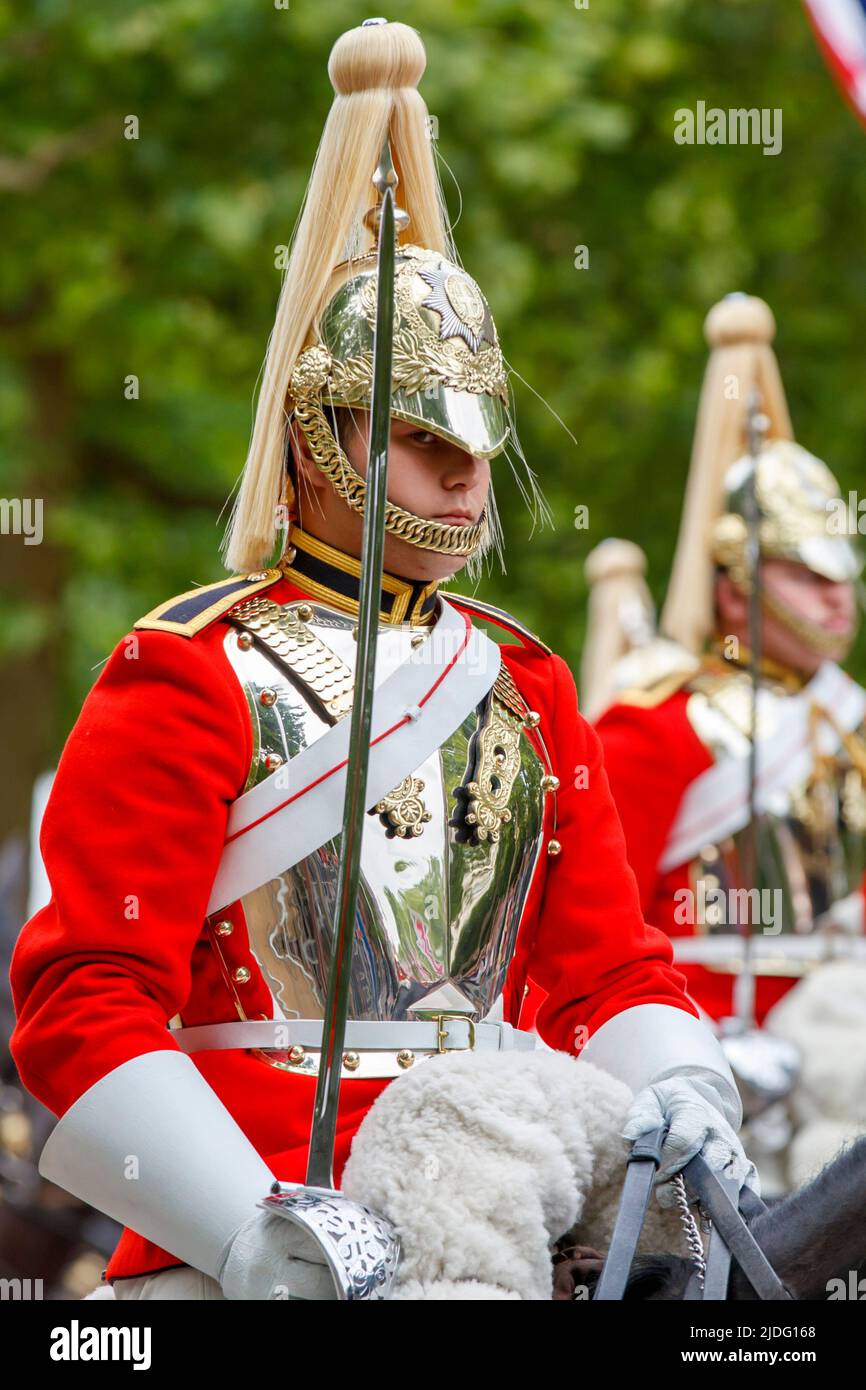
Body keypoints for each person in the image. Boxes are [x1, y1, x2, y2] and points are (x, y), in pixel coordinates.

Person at [9, 20, 751, 1302]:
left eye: (479, 434)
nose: (467, 472)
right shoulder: (185, 667)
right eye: (420, 435)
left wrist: (680, 1083)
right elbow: (86, 996)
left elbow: (605, 970)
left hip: (510, 1180)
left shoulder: (525, 685)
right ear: (317, 435)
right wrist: (250, 1230)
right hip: (244, 1211)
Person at [584, 294, 865, 1028]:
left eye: (841, 574)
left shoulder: (848, 716)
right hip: (702, 1047)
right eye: (805, 574)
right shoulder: (659, 723)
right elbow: (592, 934)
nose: (836, 598)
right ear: (734, 588)